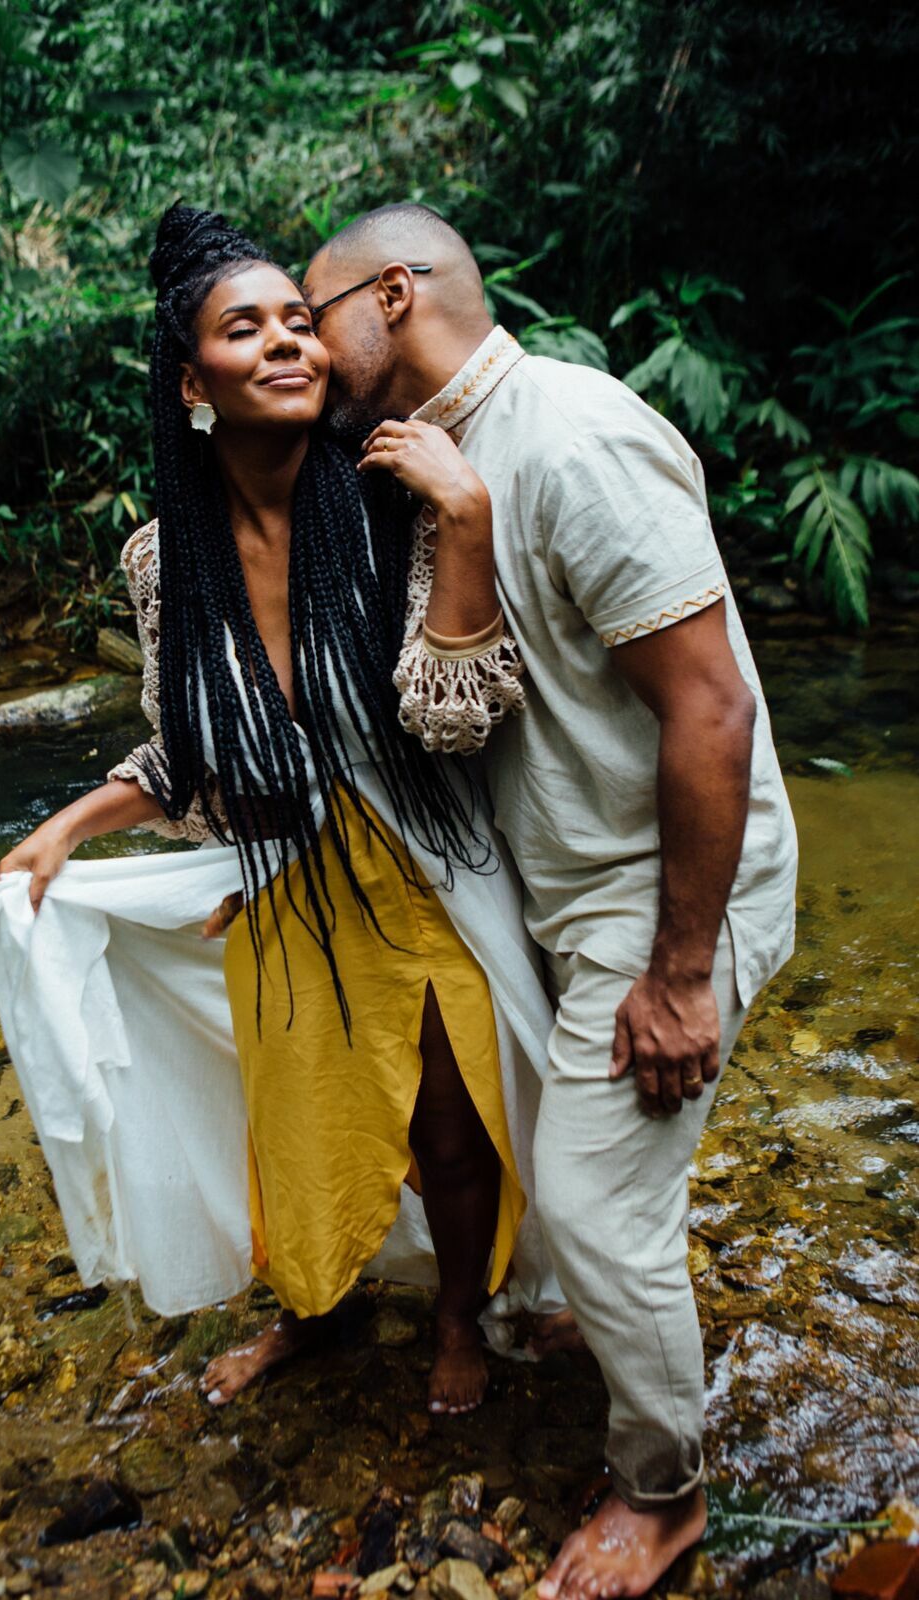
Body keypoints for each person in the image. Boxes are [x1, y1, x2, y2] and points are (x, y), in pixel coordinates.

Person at [0, 205, 568, 1419]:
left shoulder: (385, 496)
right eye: (244, 329)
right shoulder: (165, 563)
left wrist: (462, 525)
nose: (288, 344)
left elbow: (458, 718)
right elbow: (195, 753)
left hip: (428, 865)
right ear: (194, 382)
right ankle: (315, 1310)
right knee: (298, 1126)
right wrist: (71, 827)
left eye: (301, 322)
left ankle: (458, 1314)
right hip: (292, 880)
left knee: (451, 1131)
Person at [304, 204, 798, 1599]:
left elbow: (709, 709)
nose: (298, 335)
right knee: (594, 1182)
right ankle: (619, 1331)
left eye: (312, 306)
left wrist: (681, 973)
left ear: (390, 296)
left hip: (661, 902)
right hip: (570, 892)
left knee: (586, 1201)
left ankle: (662, 1494)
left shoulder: (571, 436)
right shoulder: (435, 466)